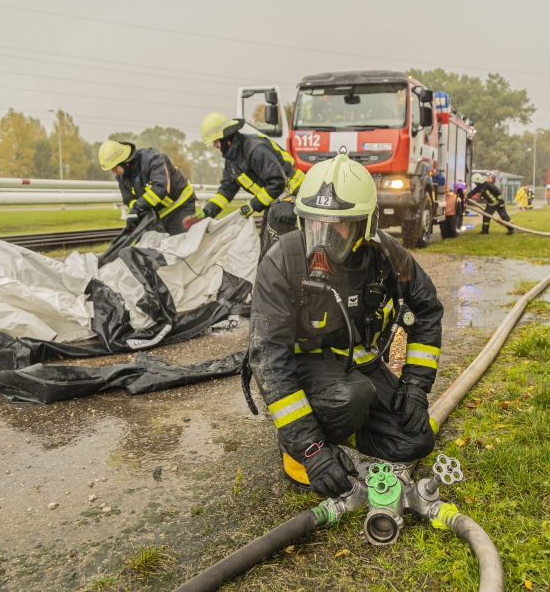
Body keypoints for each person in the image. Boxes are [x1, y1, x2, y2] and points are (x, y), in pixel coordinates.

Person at [248, 153, 444, 497]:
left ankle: (347, 433)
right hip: (306, 367)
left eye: (338, 225)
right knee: (351, 397)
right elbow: (269, 361)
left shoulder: (387, 254)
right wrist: (311, 451)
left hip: (360, 366)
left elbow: (426, 308)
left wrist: (416, 387)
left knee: (418, 439)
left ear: (365, 225)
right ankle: (299, 444)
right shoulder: (282, 261)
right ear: (301, 220)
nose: (323, 236)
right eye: (314, 223)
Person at [184, 113, 304, 253]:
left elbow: (277, 182)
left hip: (295, 198)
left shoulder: (255, 149)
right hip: (276, 202)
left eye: (216, 141)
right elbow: (226, 191)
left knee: (279, 249)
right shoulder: (233, 160)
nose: (215, 146)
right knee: (266, 247)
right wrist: (206, 213)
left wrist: (251, 206)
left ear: (226, 138)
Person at [98, 140, 196, 235]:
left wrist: (138, 207)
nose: (113, 172)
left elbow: (160, 188)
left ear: (125, 162)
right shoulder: (121, 177)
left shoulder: (152, 159)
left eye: (114, 167)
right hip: (158, 212)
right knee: (154, 245)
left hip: (181, 205)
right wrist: (135, 213)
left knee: (181, 244)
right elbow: (128, 199)